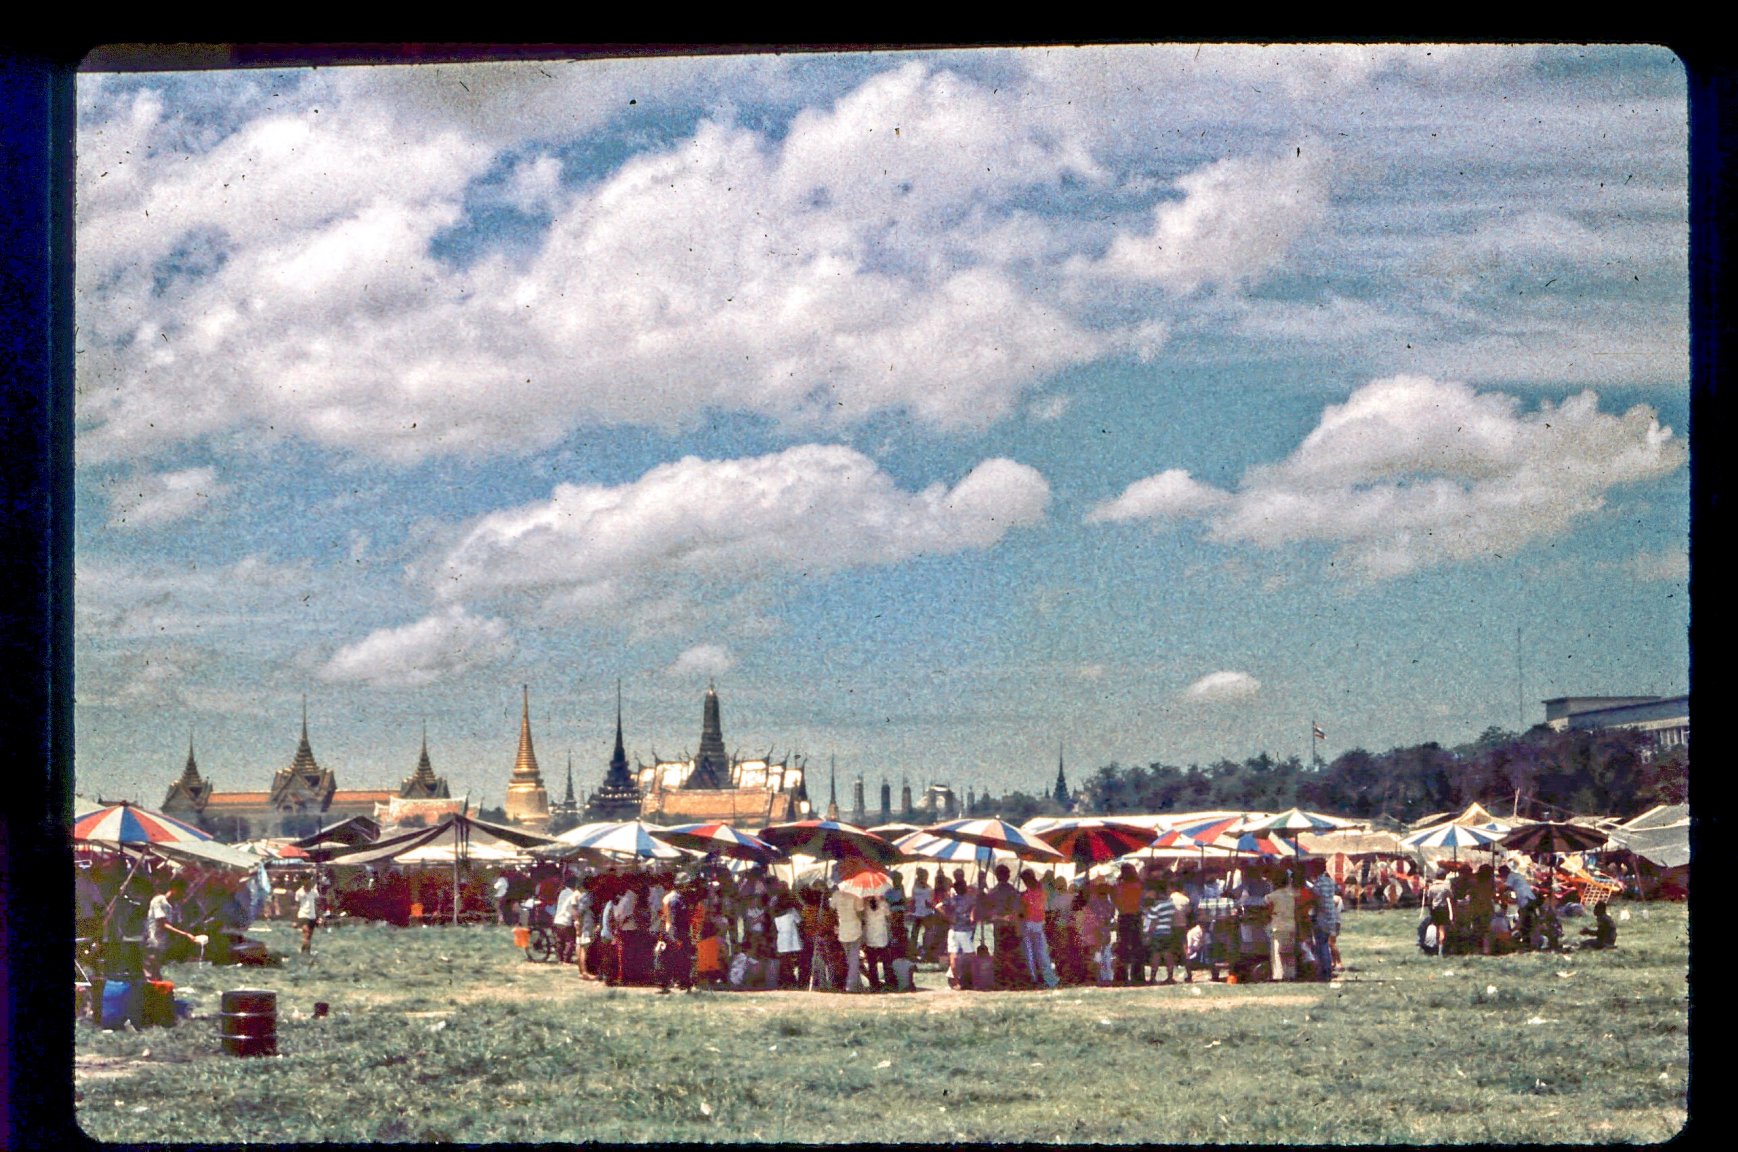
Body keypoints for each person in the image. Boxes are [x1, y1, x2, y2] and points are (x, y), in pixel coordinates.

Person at [144, 876, 204, 978]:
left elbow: (177, 924)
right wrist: (185, 934)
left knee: (160, 975)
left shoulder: (175, 906)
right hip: (154, 944)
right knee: (151, 975)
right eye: (183, 892)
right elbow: (163, 925)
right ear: (175, 889)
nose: (184, 895)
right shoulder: (159, 901)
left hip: (165, 946)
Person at [1018, 869, 1060, 989]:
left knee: (1034, 953)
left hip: (1032, 923)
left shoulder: (1030, 892)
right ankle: (1044, 979)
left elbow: (1024, 910)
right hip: (1035, 923)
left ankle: (1037, 979)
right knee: (1038, 953)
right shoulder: (1036, 890)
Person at [1112, 864, 1145, 986]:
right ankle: (1138, 976)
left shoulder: (1118, 887)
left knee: (1123, 947)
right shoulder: (1139, 886)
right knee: (1137, 946)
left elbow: (1115, 902)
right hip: (1136, 917)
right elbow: (1143, 901)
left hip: (1124, 917)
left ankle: (1121, 976)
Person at [831, 880, 866, 992]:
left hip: (843, 929)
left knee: (849, 958)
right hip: (855, 928)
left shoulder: (836, 895)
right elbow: (859, 912)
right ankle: (851, 984)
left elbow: (832, 908)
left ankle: (857, 983)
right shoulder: (856, 894)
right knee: (854, 958)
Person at [1308, 861, 1340, 980]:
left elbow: (1316, 900)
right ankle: (1327, 969)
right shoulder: (1330, 881)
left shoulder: (1318, 884)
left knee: (1321, 945)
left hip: (1321, 917)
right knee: (1325, 943)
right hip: (1331, 916)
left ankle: (1325, 970)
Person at [1264, 871, 1298, 981]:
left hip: (1278, 925)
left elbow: (1268, 911)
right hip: (1292, 925)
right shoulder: (1293, 894)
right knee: (1289, 952)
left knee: (1277, 952)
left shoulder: (1272, 896)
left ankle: (1278, 975)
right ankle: (1290, 974)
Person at [862, 892, 894, 991]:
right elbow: (889, 917)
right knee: (886, 961)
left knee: (872, 962)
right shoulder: (884, 904)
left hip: (870, 936)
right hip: (882, 935)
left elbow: (863, 918)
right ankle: (889, 981)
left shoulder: (865, 905)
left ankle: (874, 982)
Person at [552, 875, 581, 965]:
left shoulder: (562, 892)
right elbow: (574, 908)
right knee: (570, 941)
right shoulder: (573, 895)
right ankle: (566, 959)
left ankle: (560, 959)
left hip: (557, 919)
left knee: (559, 940)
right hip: (566, 920)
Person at [294, 877, 321, 956]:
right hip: (303, 915)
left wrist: (319, 916)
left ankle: (305, 951)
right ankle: (305, 954)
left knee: (309, 937)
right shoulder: (299, 892)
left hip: (312, 916)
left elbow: (317, 903)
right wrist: (295, 919)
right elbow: (296, 905)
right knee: (307, 934)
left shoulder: (314, 892)